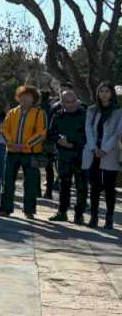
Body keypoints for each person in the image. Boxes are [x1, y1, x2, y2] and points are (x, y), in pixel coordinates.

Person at [0, 85, 47, 218]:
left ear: (34, 98)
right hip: (12, 151)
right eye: (21, 96)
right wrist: (11, 143)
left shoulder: (40, 113)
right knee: (8, 181)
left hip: (31, 153)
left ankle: (29, 210)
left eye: (28, 96)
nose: (24, 98)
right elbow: (4, 128)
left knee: (30, 183)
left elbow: (42, 132)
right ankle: (6, 208)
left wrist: (26, 145)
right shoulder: (12, 112)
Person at [81, 82, 121, 229]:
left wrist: (104, 149)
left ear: (112, 93)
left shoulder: (118, 111)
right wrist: (94, 148)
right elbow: (88, 130)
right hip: (94, 152)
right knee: (95, 186)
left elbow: (117, 133)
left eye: (107, 91)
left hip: (110, 153)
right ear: (97, 93)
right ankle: (94, 216)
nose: (104, 94)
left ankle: (109, 218)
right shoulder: (92, 110)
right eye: (101, 91)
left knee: (109, 187)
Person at [47, 89, 88, 223]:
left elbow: (88, 135)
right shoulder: (58, 115)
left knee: (81, 185)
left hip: (81, 155)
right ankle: (62, 212)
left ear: (77, 100)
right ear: (62, 102)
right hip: (63, 156)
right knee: (63, 185)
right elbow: (51, 132)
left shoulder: (85, 114)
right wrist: (58, 140)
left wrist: (70, 142)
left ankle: (79, 214)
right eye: (67, 102)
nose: (70, 105)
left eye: (73, 101)